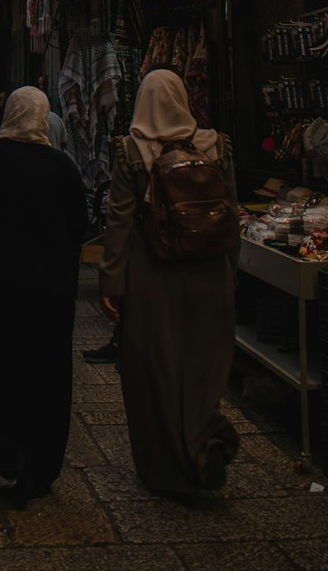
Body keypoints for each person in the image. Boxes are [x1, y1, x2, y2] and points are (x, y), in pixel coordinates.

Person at [100, 68, 240, 500]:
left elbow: (120, 219)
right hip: (209, 274)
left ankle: (165, 466)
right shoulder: (215, 146)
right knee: (204, 362)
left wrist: (112, 281)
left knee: (156, 367)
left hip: (153, 276)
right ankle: (204, 443)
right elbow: (230, 213)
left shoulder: (131, 151)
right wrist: (230, 271)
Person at [0, 86, 87, 507]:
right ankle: (37, 460)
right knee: (40, 372)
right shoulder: (63, 167)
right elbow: (80, 227)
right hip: (48, 292)